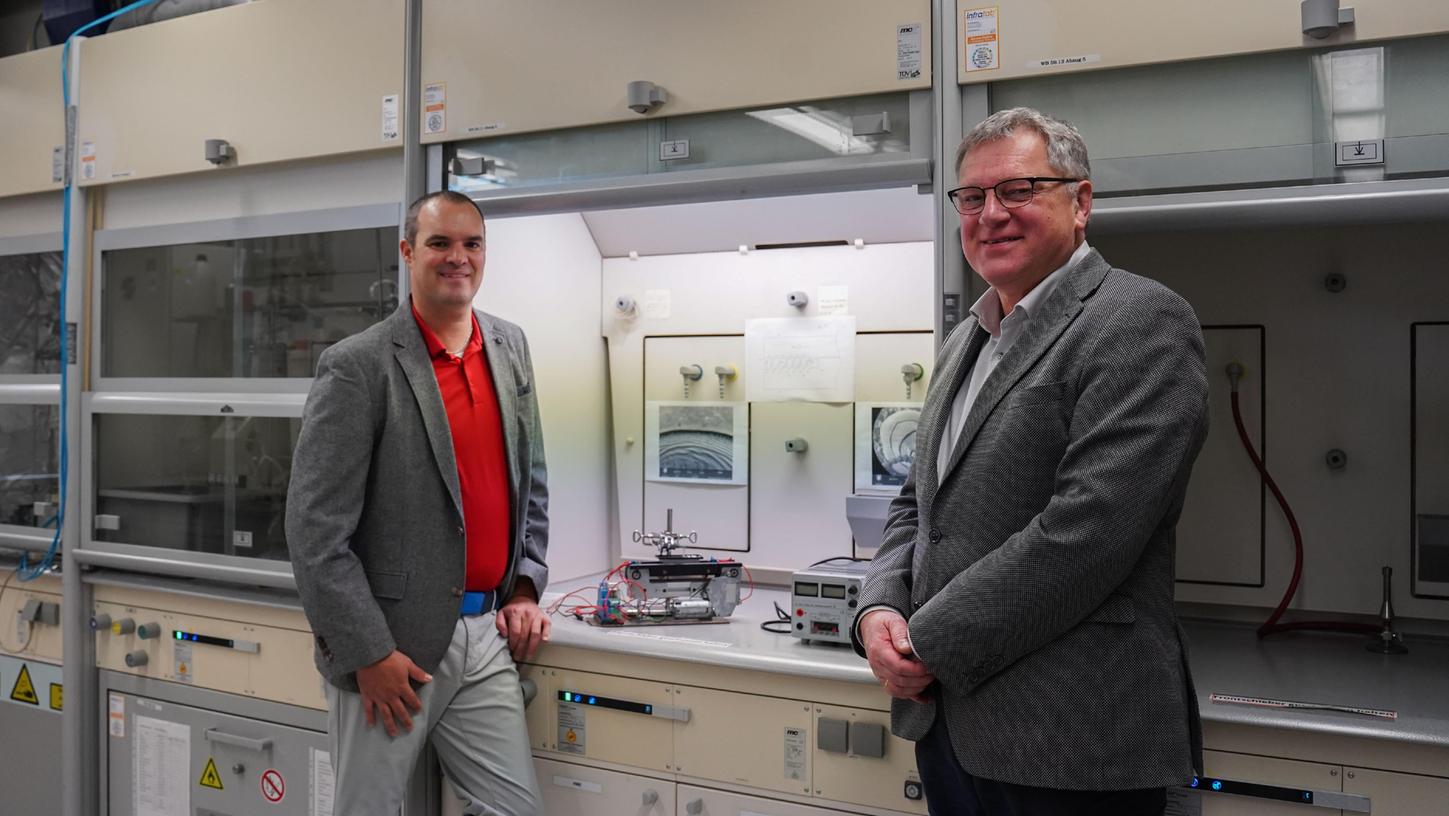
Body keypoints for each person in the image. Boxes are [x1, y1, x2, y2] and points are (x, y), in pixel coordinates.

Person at [851, 107, 1209, 815]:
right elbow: (915, 505)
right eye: (971, 197)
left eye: (1017, 191)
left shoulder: (1138, 319)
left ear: (1079, 203)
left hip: (1069, 739)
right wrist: (877, 609)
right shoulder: (967, 340)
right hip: (951, 725)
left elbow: (1087, 534)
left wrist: (924, 642)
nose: (990, 214)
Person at [288, 190, 549, 815]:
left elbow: (530, 481)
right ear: (408, 252)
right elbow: (314, 530)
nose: (457, 257)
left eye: (471, 244)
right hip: (394, 651)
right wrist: (368, 654)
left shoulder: (509, 346)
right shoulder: (359, 366)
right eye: (440, 243)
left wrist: (524, 588)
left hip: (487, 638)